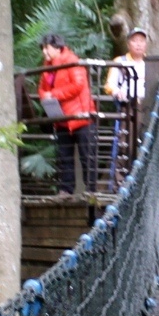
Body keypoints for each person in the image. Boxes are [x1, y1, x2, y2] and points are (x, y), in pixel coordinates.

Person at [39, 33, 95, 196]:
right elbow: (42, 89)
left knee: (87, 156)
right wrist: (46, 96)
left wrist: (54, 94)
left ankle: (91, 191)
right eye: (43, 48)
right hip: (60, 117)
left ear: (57, 48)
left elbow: (78, 85)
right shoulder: (47, 67)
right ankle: (65, 190)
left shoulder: (72, 61)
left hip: (81, 116)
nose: (44, 52)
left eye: (47, 48)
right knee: (64, 156)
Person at [104, 26, 150, 183]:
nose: (138, 44)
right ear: (129, 43)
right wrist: (118, 92)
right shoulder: (120, 62)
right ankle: (119, 183)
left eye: (142, 41)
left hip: (147, 106)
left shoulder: (150, 63)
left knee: (145, 143)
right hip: (127, 107)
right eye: (135, 41)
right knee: (124, 144)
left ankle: (141, 181)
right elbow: (109, 85)